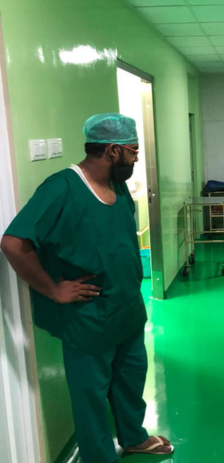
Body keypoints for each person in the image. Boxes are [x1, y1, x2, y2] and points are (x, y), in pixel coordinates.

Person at [0, 113, 174, 462]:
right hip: (89, 316)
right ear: (112, 150)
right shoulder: (62, 188)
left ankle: (133, 437)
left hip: (126, 308)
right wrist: (53, 290)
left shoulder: (117, 185)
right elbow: (13, 243)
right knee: (90, 395)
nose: (136, 158)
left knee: (129, 379)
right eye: (133, 151)